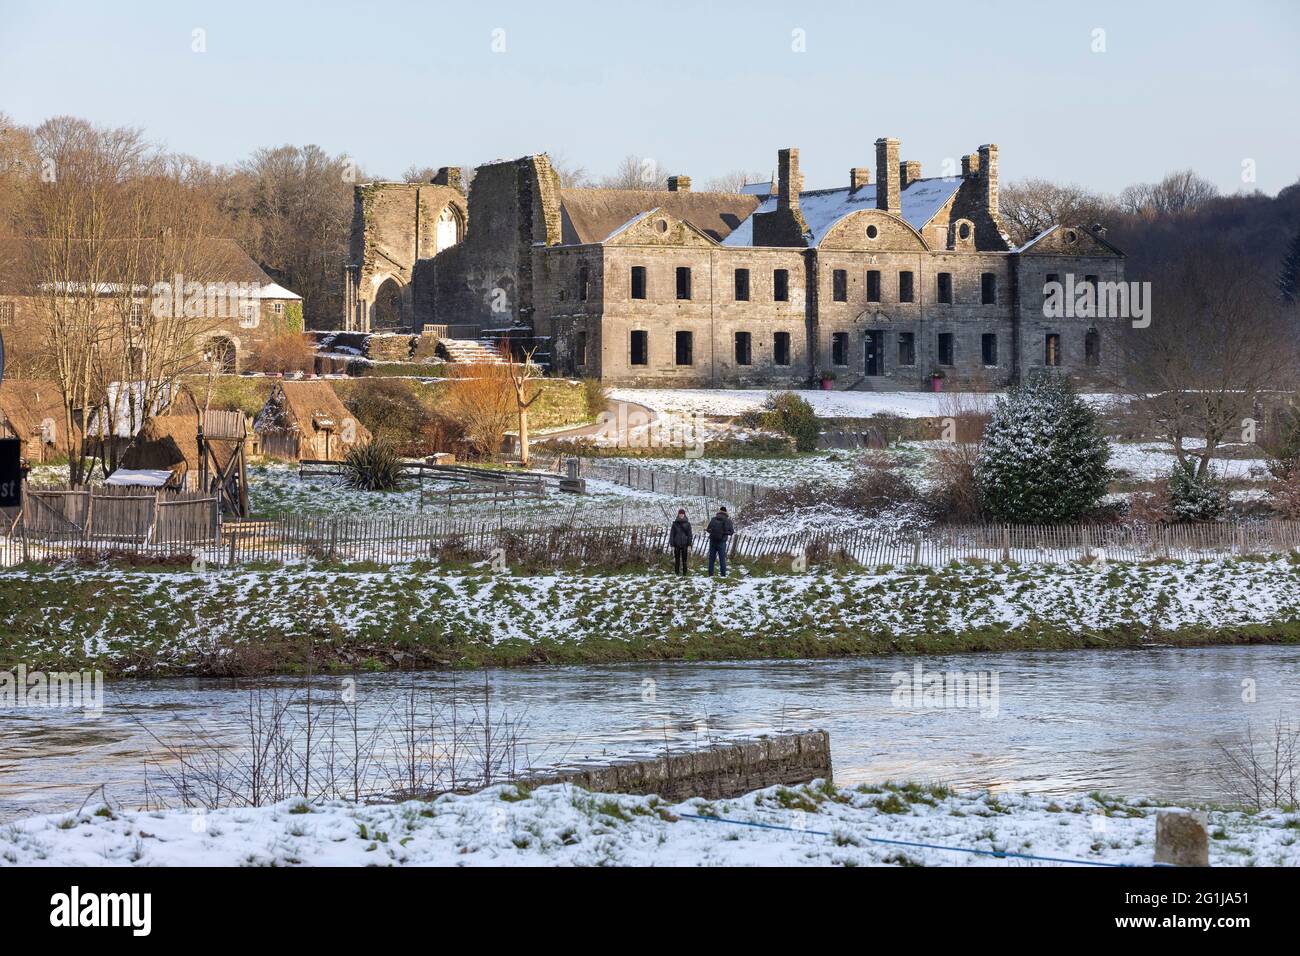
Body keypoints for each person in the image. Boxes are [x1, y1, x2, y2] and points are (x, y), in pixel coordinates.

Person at [705, 506, 735, 577]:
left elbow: (708, 529)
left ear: (719, 511)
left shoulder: (713, 519)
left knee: (711, 559)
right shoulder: (728, 521)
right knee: (722, 559)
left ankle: (710, 574)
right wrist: (724, 533)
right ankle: (723, 575)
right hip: (722, 542)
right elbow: (731, 532)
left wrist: (714, 532)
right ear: (726, 512)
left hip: (712, 541)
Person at [669, 509, 693, 575]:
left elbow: (690, 535)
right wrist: (672, 545)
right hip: (676, 545)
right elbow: (672, 534)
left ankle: (684, 574)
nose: (681, 515)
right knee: (677, 560)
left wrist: (689, 544)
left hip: (685, 544)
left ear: (684, 515)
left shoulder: (688, 524)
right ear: (678, 515)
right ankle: (677, 573)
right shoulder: (674, 524)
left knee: (684, 560)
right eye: (680, 514)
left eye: (682, 514)